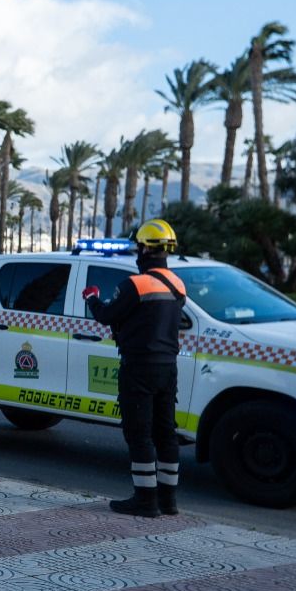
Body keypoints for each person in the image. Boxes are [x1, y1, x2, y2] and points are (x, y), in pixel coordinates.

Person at [82, 219, 186, 517]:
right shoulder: (178, 285)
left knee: (139, 433)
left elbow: (106, 315)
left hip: (139, 367)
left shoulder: (135, 284)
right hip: (168, 367)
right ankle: (168, 500)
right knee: (166, 432)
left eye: (139, 246)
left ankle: (145, 500)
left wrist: (91, 298)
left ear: (145, 249)